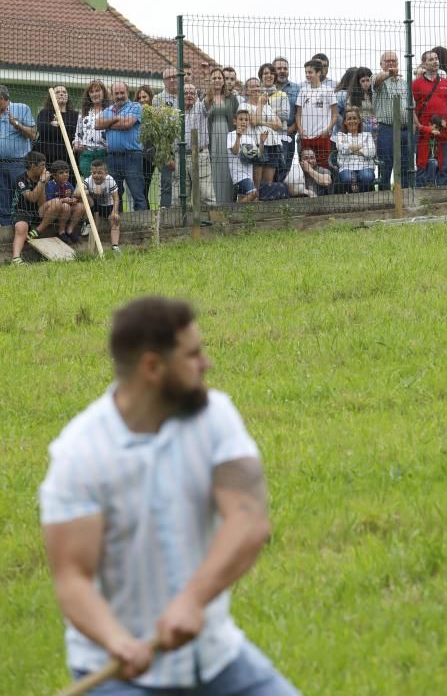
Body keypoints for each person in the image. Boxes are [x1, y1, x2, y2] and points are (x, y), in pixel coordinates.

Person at [39, 296, 300, 696]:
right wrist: (117, 641)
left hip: (216, 658)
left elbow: (249, 521)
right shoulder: (80, 454)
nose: (206, 363)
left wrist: (193, 599)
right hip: (120, 674)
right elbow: (72, 578)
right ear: (152, 367)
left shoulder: (216, 416)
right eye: (193, 355)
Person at [11, 151, 71, 264]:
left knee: (57, 202)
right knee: (21, 227)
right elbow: (32, 198)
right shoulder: (21, 179)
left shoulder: (43, 180)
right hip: (21, 211)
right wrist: (42, 181)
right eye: (42, 165)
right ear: (33, 166)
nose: (45, 169)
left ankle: (37, 231)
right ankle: (16, 258)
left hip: (37, 211)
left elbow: (40, 203)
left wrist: (42, 183)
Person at [95, 81, 147, 211]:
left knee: (137, 193)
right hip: (112, 157)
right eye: (116, 93)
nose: (119, 96)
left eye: (122, 93)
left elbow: (127, 124)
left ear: (127, 93)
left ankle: (142, 225)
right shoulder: (107, 110)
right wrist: (116, 120)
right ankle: (118, 222)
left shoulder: (135, 106)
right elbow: (97, 125)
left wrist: (107, 123)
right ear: (112, 95)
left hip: (132, 156)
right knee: (115, 194)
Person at [171, 83, 216, 206]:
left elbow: (211, 96)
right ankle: (181, 224)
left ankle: (209, 224)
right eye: (186, 93)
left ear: (196, 96)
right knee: (179, 198)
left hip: (200, 156)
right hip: (180, 157)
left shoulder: (201, 108)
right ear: (179, 96)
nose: (189, 95)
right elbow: (168, 138)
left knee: (206, 196)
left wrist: (207, 77)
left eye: (192, 93)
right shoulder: (173, 112)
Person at [372, 51, 411, 190]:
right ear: (381, 64)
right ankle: (385, 195)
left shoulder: (404, 83)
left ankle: (405, 193)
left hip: (405, 129)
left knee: (406, 163)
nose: (391, 63)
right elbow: (377, 81)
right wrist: (388, 73)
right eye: (387, 61)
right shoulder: (378, 80)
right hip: (387, 128)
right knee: (385, 164)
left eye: (394, 60)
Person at [412, 51, 447, 186]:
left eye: (436, 58)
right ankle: (421, 195)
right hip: (425, 131)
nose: (435, 61)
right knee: (422, 164)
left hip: (443, 130)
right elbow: (412, 109)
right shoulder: (416, 84)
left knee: (444, 165)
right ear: (423, 63)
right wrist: (419, 126)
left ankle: (442, 192)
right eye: (430, 60)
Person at [0, 84, 36, 226]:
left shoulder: (22, 108)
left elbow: (33, 134)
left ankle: (24, 224)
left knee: (21, 195)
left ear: (3, 98)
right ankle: (5, 226)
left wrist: (16, 124)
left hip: (18, 162)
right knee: (2, 196)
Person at [204, 68, 239, 203]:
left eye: (220, 78)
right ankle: (214, 202)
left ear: (223, 81)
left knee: (227, 168)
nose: (217, 80)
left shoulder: (232, 98)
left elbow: (237, 119)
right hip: (212, 136)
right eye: (214, 78)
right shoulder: (206, 98)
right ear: (210, 81)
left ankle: (228, 202)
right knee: (213, 168)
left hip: (227, 136)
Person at [296, 59, 338, 169]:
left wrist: (328, 129)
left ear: (319, 73)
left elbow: (335, 114)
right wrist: (300, 129)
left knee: (323, 167)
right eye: (306, 72)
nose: (307, 75)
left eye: (310, 72)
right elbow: (298, 114)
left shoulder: (328, 91)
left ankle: (325, 186)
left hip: (322, 136)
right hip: (306, 137)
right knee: (306, 167)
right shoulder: (302, 91)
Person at [245, 78, 284, 188]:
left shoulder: (268, 107)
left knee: (268, 184)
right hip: (258, 145)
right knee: (256, 183)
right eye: (252, 86)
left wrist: (262, 122)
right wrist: (260, 104)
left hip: (273, 144)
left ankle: (266, 202)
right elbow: (253, 122)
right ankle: (255, 202)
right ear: (246, 91)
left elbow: (279, 126)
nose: (256, 88)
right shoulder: (244, 106)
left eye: (257, 86)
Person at [35, 85, 79, 183]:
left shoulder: (75, 115)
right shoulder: (44, 113)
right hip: (47, 159)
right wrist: (64, 128)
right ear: (51, 97)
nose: (61, 94)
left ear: (68, 96)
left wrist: (56, 125)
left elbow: (74, 133)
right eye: (57, 92)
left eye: (64, 92)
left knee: (68, 190)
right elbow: (43, 130)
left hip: (68, 160)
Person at [78, 158, 121, 252]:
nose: (96, 175)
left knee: (114, 220)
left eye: (100, 172)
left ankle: (115, 247)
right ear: (91, 172)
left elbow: (116, 198)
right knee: (86, 198)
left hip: (109, 205)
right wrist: (91, 191)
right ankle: (87, 222)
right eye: (94, 173)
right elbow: (78, 193)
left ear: (106, 173)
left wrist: (115, 212)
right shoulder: (88, 180)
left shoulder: (110, 180)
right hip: (95, 205)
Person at [73, 79, 110, 179]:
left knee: (103, 185)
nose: (95, 94)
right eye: (91, 92)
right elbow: (78, 134)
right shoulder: (83, 113)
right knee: (89, 185)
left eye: (97, 91)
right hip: (86, 155)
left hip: (104, 154)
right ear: (88, 95)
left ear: (104, 92)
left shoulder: (110, 111)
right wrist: (77, 144)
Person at [153, 66, 178, 208]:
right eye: (168, 78)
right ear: (163, 81)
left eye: (175, 77)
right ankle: (165, 215)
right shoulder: (158, 99)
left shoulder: (186, 95)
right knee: (167, 184)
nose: (172, 80)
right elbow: (158, 130)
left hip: (185, 148)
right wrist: (166, 154)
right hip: (167, 150)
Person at [335, 107, 376, 192]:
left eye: (354, 118)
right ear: (345, 122)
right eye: (349, 119)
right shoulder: (340, 135)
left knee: (367, 177)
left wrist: (349, 148)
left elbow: (371, 152)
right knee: (347, 179)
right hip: (346, 166)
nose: (352, 121)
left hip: (365, 166)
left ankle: (364, 199)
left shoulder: (367, 135)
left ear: (359, 121)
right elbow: (342, 150)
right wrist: (361, 146)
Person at [272, 57, 300, 181]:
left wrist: (292, 128)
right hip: (270, 135)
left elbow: (301, 112)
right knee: (270, 167)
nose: (282, 71)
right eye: (279, 68)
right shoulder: (266, 87)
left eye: (285, 68)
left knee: (285, 168)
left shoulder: (296, 88)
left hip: (289, 134)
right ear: (273, 70)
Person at [45, 159, 86, 243]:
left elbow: (73, 196)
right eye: (61, 173)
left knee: (81, 206)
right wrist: (64, 200)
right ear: (54, 175)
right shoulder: (50, 185)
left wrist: (74, 199)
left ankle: (70, 230)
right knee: (65, 206)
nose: (65, 175)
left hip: (67, 212)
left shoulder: (68, 184)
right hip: (54, 212)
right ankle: (61, 231)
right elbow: (49, 201)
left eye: (67, 172)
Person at [227, 107, 259, 202]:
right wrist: (238, 137)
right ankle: (234, 210)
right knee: (253, 193)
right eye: (241, 119)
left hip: (249, 174)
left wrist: (261, 142)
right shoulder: (231, 135)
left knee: (243, 199)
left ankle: (236, 214)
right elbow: (235, 151)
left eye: (246, 120)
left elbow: (255, 156)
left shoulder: (250, 139)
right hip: (239, 174)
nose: (244, 122)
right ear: (234, 121)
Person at [134, 85, 156, 209]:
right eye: (139, 98)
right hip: (135, 154)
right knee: (138, 189)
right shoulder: (133, 113)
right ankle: (142, 212)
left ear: (150, 98)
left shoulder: (154, 114)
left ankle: (145, 212)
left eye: (144, 97)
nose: (142, 100)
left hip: (148, 156)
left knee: (144, 187)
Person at [416, 114, 446, 186]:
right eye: (435, 127)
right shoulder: (425, 133)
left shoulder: (439, 135)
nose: (436, 130)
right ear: (430, 124)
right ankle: (420, 189)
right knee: (420, 177)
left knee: (434, 164)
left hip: (434, 162)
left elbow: (446, 137)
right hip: (422, 161)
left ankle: (430, 184)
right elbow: (420, 128)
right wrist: (430, 130)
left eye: (438, 128)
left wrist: (444, 127)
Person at [346, 67, 377, 137]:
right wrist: (353, 109)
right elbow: (347, 111)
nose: (366, 83)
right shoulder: (353, 95)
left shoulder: (375, 93)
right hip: (359, 127)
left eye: (368, 80)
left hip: (373, 127)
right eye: (363, 81)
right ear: (358, 82)